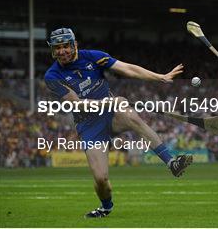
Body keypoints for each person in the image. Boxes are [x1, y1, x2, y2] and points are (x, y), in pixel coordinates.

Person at [44, 28, 193, 218]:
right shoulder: (52, 76)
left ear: (74, 45)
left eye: (66, 46)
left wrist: (160, 77)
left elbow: (127, 68)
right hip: (89, 126)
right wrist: (108, 101)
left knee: (130, 115)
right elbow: (77, 105)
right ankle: (106, 207)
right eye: (58, 47)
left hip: (112, 115)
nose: (62, 51)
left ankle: (171, 162)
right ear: (52, 50)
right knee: (101, 179)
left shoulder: (93, 57)